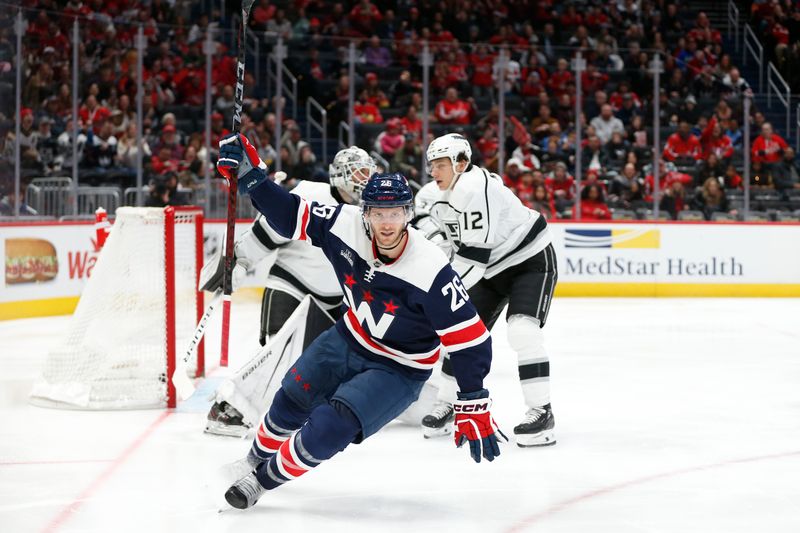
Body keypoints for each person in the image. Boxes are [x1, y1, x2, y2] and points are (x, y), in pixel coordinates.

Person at [216, 134, 505, 510]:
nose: (387, 224)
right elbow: (288, 212)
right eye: (378, 213)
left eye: (396, 213)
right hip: (349, 337)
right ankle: (255, 457)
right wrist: (253, 179)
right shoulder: (343, 222)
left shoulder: (431, 267)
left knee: (331, 427)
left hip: (400, 368)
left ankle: (260, 480)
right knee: (293, 394)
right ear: (364, 212)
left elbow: (470, 340)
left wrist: (472, 398)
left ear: (408, 215)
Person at [199, 147, 377, 435]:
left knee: (343, 358)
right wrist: (240, 260)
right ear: (340, 175)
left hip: (334, 299)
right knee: (278, 354)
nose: (366, 178)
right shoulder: (311, 194)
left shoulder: (368, 212)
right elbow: (270, 231)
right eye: (360, 171)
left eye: (368, 171)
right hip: (291, 284)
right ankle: (233, 407)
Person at [418, 133, 557, 447]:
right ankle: (450, 402)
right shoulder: (431, 196)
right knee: (460, 331)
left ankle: (542, 411)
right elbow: (431, 235)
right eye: (432, 165)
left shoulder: (476, 187)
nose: (434, 172)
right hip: (491, 269)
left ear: (462, 163)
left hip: (528, 261)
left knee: (523, 331)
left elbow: (472, 262)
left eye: (441, 164)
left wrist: (433, 298)